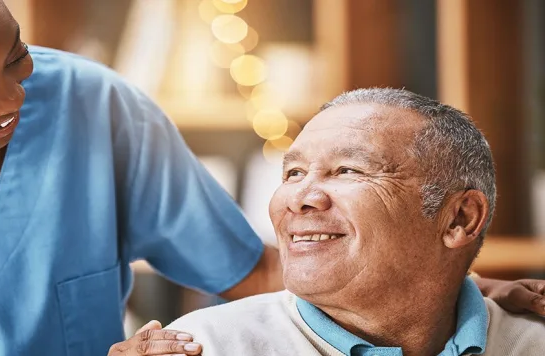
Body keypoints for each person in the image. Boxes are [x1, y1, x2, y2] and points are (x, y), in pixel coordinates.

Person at [0, 1, 540, 354]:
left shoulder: (91, 105)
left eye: (14, 56)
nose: (13, 100)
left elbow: (254, 272)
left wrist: (441, 286)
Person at [164, 88, 545, 356]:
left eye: (347, 169)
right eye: (293, 173)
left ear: (459, 218)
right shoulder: (202, 346)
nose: (299, 199)